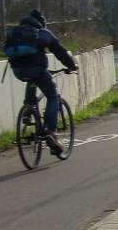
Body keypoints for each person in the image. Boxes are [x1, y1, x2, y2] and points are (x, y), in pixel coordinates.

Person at [4, 10, 78, 157]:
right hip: (37, 69)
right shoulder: (42, 33)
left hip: (18, 71)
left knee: (31, 80)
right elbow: (60, 52)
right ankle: (51, 133)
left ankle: (28, 109)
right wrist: (72, 66)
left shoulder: (14, 34)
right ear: (41, 22)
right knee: (52, 96)